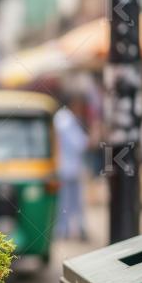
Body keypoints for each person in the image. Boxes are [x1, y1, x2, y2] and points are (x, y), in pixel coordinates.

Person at [54, 95, 89, 241]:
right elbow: (79, 143)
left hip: (64, 167)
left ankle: (67, 230)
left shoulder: (60, 118)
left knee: (67, 202)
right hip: (69, 168)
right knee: (71, 202)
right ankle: (69, 230)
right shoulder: (67, 120)